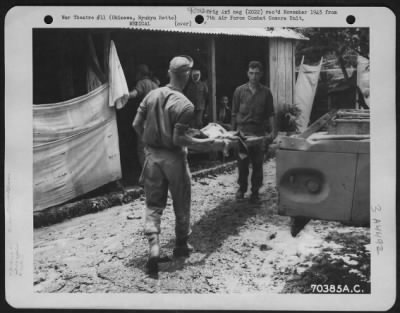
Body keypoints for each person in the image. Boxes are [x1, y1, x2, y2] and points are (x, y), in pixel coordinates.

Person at [132, 56, 214, 278]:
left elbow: (136, 125)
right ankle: (181, 245)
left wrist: (151, 144)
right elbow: (179, 139)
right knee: (181, 202)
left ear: (169, 72)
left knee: (153, 204)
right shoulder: (185, 104)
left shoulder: (151, 95)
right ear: (187, 75)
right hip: (175, 160)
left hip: (152, 158)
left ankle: (154, 246)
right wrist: (207, 143)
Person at [231, 61, 277, 203]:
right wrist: (233, 133)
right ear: (247, 73)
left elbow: (270, 113)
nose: (254, 76)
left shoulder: (266, 92)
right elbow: (234, 113)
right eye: (251, 73)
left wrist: (273, 131)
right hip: (243, 133)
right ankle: (242, 188)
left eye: (257, 73)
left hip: (258, 133)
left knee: (258, 164)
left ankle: (255, 192)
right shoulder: (239, 91)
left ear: (261, 74)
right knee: (243, 163)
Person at [129, 64, 159, 168]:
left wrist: (122, 95)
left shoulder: (142, 83)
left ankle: (146, 174)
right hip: (156, 120)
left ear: (140, 74)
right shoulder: (155, 85)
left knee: (142, 147)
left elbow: (134, 94)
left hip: (145, 120)